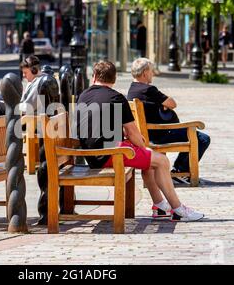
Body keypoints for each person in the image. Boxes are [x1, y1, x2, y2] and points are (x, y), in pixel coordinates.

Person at [77, 61, 204, 222]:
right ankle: (178, 210)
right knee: (162, 161)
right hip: (109, 154)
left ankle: (159, 207)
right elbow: (133, 133)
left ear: (94, 77)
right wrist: (144, 148)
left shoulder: (83, 95)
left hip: (90, 154)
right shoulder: (116, 97)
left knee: (151, 164)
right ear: (114, 79)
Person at [127, 58, 211, 185]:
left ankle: (178, 171)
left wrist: (161, 105)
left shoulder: (132, 89)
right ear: (144, 73)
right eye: (151, 71)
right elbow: (172, 103)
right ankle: (179, 171)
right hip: (160, 133)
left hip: (149, 133)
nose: (153, 74)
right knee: (202, 138)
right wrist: (163, 104)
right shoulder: (149, 90)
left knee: (191, 134)